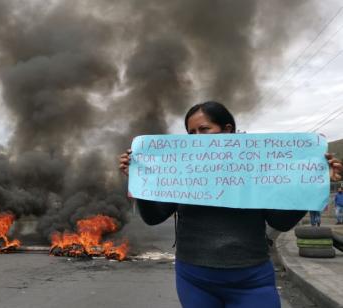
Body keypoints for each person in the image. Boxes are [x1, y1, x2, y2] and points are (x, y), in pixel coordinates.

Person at [118, 101, 343, 308]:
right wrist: (139, 181)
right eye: (191, 133)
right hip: (194, 280)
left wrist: (311, 186)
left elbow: (280, 222)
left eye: (204, 129)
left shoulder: (255, 167)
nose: (197, 138)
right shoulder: (181, 168)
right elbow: (154, 217)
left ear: (227, 129)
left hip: (251, 280)